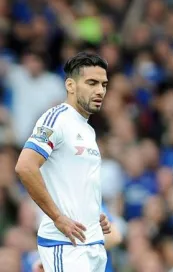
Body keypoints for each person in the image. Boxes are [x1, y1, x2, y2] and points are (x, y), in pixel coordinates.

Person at [15, 52, 112, 272]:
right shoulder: (57, 118)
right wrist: (58, 217)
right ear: (71, 85)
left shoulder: (87, 130)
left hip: (93, 245)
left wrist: (92, 213)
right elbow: (25, 166)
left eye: (104, 84)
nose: (100, 91)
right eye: (92, 83)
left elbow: (70, 181)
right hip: (67, 244)